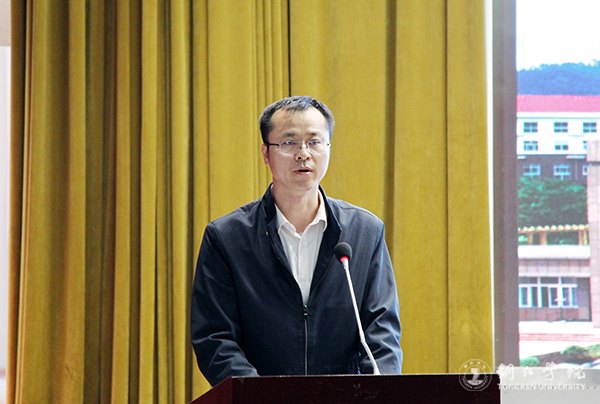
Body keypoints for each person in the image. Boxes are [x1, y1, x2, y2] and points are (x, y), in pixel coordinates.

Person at [191, 96, 403, 387]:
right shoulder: (227, 237)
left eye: (314, 142)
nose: (303, 154)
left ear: (328, 148)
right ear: (266, 154)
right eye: (289, 143)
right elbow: (215, 338)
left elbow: (382, 331)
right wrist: (258, 396)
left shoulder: (365, 231)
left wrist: (373, 394)